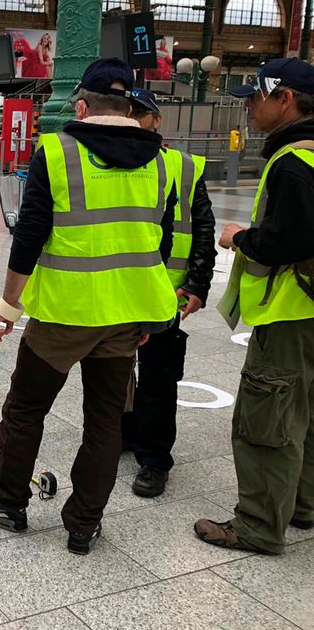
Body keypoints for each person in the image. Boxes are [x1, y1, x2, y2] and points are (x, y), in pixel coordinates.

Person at [0, 59, 179, 555]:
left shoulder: (57, 152)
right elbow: (157, 244)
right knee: (104, 422)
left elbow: (30, 237)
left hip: (63, 315)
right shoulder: (165, 162)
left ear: (80, 106)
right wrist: (150, 314)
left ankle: (9, 501)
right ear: (130, 108)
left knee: (25, 410)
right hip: (126, 316)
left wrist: (7, 306)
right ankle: (83, 524)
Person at [195, 57, 314, 555]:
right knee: (306, 412)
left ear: (284, 98)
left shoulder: (294, 161)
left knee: (267, 418)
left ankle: (260, 526)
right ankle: (303, 505)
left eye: (255, 97)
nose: (248, 107)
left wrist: (242, 236)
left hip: (290, 310)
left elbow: (290, 239)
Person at [121, 89, 217, 497]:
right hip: (120, 289)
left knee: (159, 376)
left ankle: (155, 458)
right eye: (127, 113)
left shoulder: (183, 166)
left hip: (167, 291)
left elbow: (204, 228)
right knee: (117, 372)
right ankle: (125, 433)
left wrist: (197, 283)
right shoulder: (110, 163)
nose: (133, 120)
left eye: (141, 114)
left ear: (157, 121)